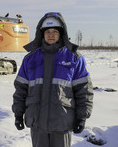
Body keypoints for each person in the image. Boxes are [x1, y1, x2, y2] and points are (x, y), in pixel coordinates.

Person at [12, 12, 93, 147]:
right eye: (48, 31)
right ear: (42, 33)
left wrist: (82, 116)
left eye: (55, 31)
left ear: (61, 33)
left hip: (62, 122)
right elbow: (21, 90)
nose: (51, 34)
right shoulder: (30, 59)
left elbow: (84, 90)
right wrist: (18, 114)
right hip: (37, 123)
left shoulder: (74, 58)